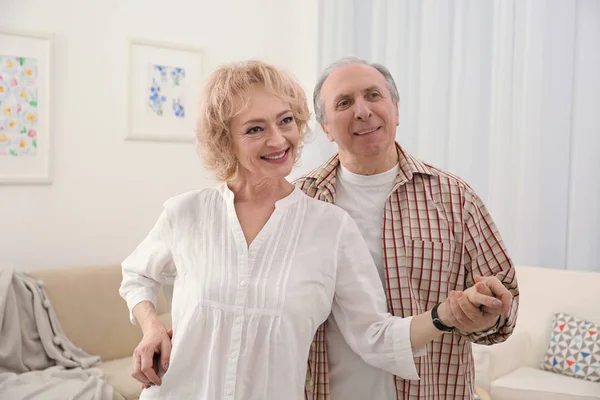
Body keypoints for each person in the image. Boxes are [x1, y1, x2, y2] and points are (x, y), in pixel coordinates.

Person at [119, 60, 503, 400]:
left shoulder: (331, 226)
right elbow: (136, 274)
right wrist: (152, 327)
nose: (277, 139)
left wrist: (444, 316)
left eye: (285, 121)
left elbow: (374, 336)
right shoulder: (186, 212)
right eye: (255, 129)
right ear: (226, 140)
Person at [294, 57, 520, 400]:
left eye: (373, 96)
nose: (362, 111)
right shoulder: (298, 201)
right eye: (344, 103)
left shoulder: (455, 198)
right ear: (325, 127)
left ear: (396, 110)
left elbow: (504, 298)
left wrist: (486, 316)